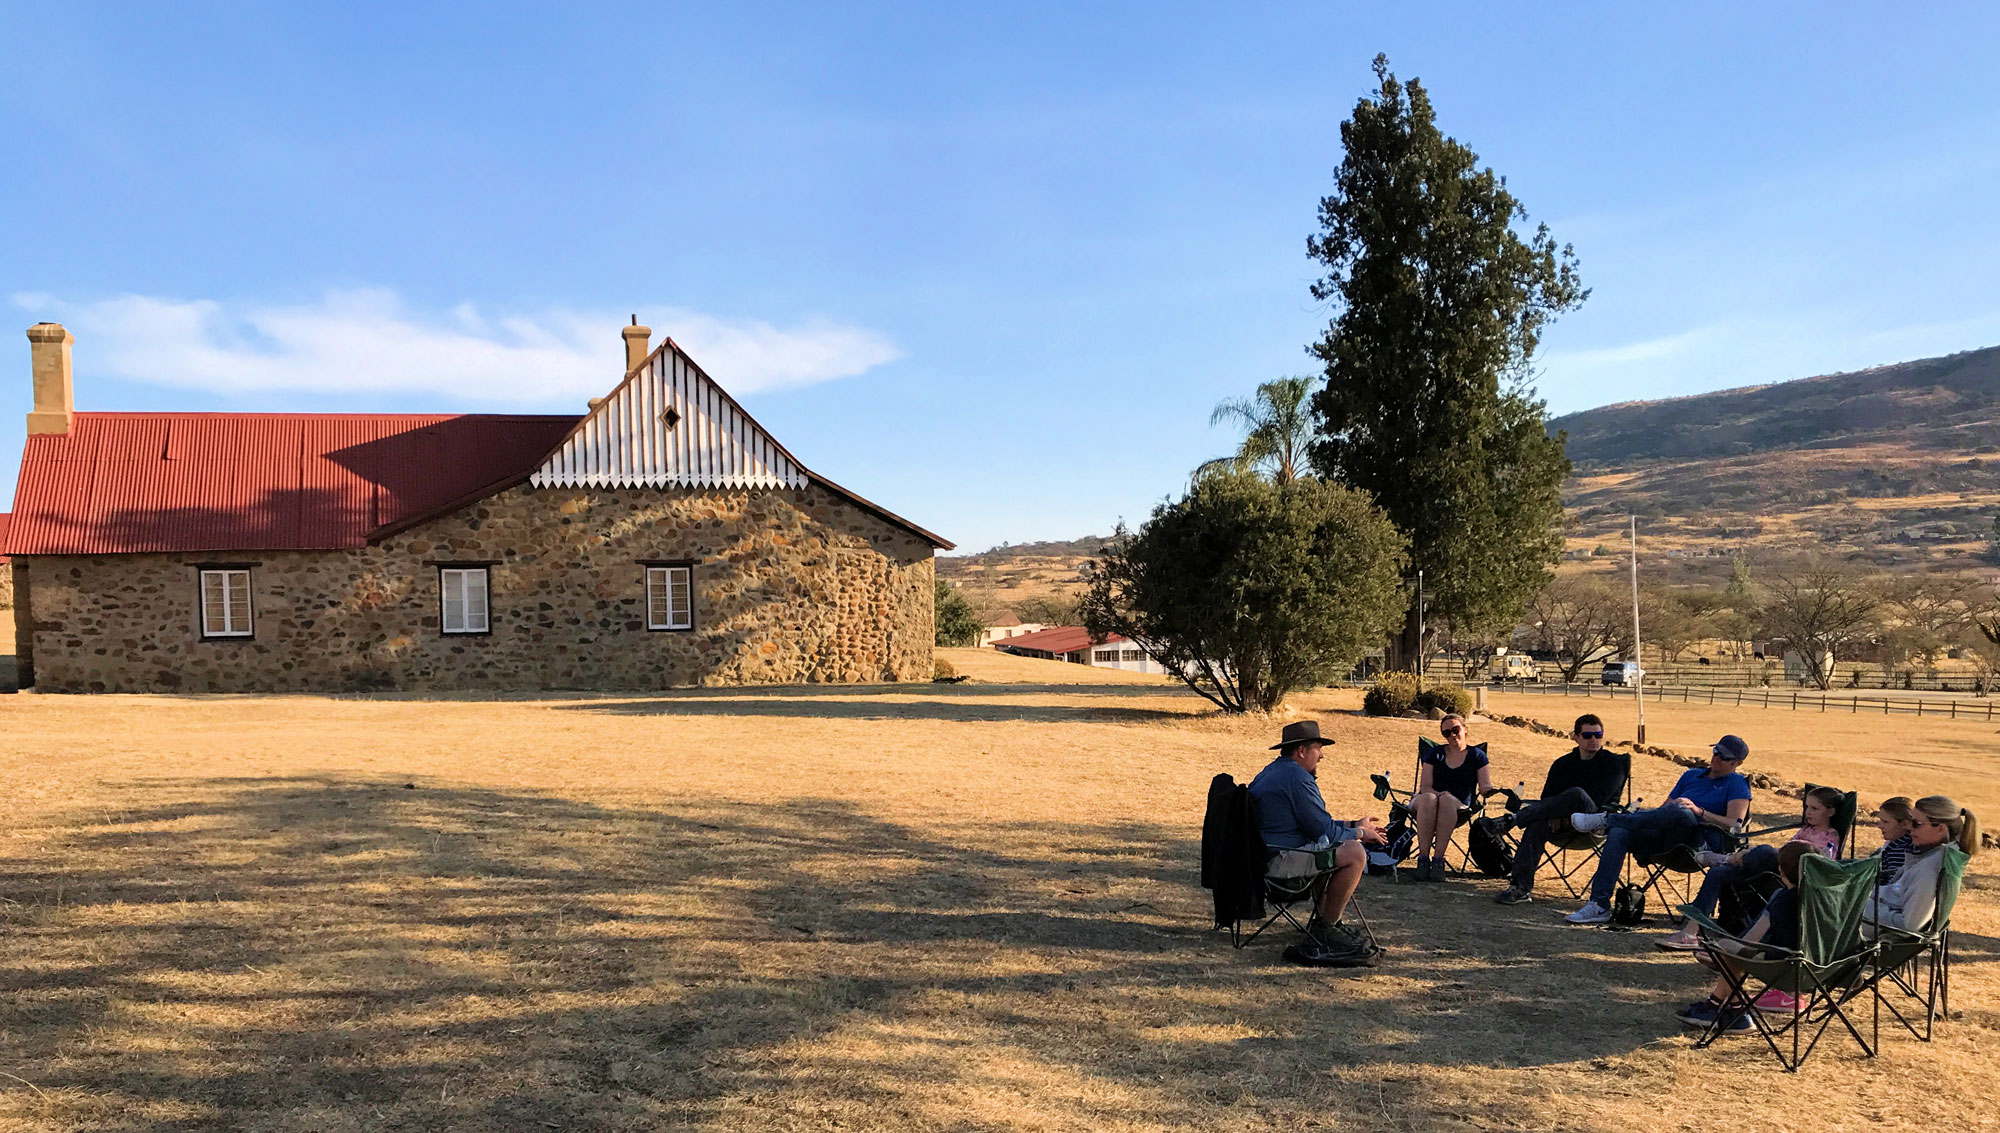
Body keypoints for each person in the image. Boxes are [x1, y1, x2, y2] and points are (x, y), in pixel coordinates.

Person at [1563, 734, 1756, 925]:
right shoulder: (1691, 775)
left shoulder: (1737, 784)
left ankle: (1607, 820)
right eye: (1716, 751)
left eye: (1725, 757)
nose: (1717, 758)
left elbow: (1734, 824)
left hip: (1696, 846)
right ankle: (1599, 904)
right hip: (1666, 838)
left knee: (1685, 812)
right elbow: (1665, 810)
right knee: (1619, 833)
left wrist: (1699, 811)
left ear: (1737, 763)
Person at [1247, 720, 1389, 961]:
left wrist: (1354, 825)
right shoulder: (1298, 779)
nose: (1321, 756)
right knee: (1354, 854)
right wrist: (1362, 835)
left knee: (1337, 848)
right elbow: (1324, 833)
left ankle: (1325, 921)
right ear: (1302, 751)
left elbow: (1316, 824)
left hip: (1266, 854)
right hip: (1278, 860)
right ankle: (1327, 925)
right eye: (1318, 748)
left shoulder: (1274, 771)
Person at [1659, 785, 1845, 949]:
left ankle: (1727, 858)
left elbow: (1821, 864)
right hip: (1770, 873)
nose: (1808, 812)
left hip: (1791, 878)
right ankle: (1690, 932)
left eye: (1814, 808)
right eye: (1806, 807)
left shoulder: (1830, 836)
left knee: (1765, 851)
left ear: (1830, 812)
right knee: (1718, 873)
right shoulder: (1806, 830)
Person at [1675, 841, 1822, 1033]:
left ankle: (1731, 1011)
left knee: (1728, 948)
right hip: (1822, 969)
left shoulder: (1783, 896)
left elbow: (1752, 939)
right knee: (1733, 949)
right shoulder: (1825, 899)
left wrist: (1716, 945)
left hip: (1784, 966)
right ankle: (1719, 1005)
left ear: (1781, 870)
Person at [1490, 714, 1630, 905]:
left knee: (1577, 794)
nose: (1594, 740)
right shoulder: (1562, 764)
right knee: (1537, 823)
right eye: (1588, 735)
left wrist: (1562, 815)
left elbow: (1598, 800)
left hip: (1595, 821)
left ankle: (1513, 820)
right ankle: (1520, 887)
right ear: (1576, 737)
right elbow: (1547, 797)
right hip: (1559, 824)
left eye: (1598, 735)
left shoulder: (1613, 764)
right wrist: (1555, 815)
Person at [1864, 795, 1981, 938]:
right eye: (1909, 821)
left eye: (1916, 823)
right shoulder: (1930, 856)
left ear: (1940, 829)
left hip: (1874, 933)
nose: (1908, 827)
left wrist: (1861, 907)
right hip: (1873, 916)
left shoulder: (1929, 869)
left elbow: (1909, 926)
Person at [1410, 714, 1493, 881]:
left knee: (1447, 801)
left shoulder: (1477, 756)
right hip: (1429, 799)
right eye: (1446, 733)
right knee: (1429, 799)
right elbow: (1425, 786)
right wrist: (1437, 794)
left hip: (1458, 803)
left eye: (1455, 730)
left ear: (1465, 729)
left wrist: (1490, 791)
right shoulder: (1435, 753)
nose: (1452, 735)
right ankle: (1423, 860)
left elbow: (1485, 786)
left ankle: (1438, 861)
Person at [1871, 796, 1916, 885]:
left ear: (1905, 824)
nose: (1880, 825)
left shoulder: (1900, 850)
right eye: (1880, 820)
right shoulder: (1894, 842)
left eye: (1885, 822)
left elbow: (1893, 885)